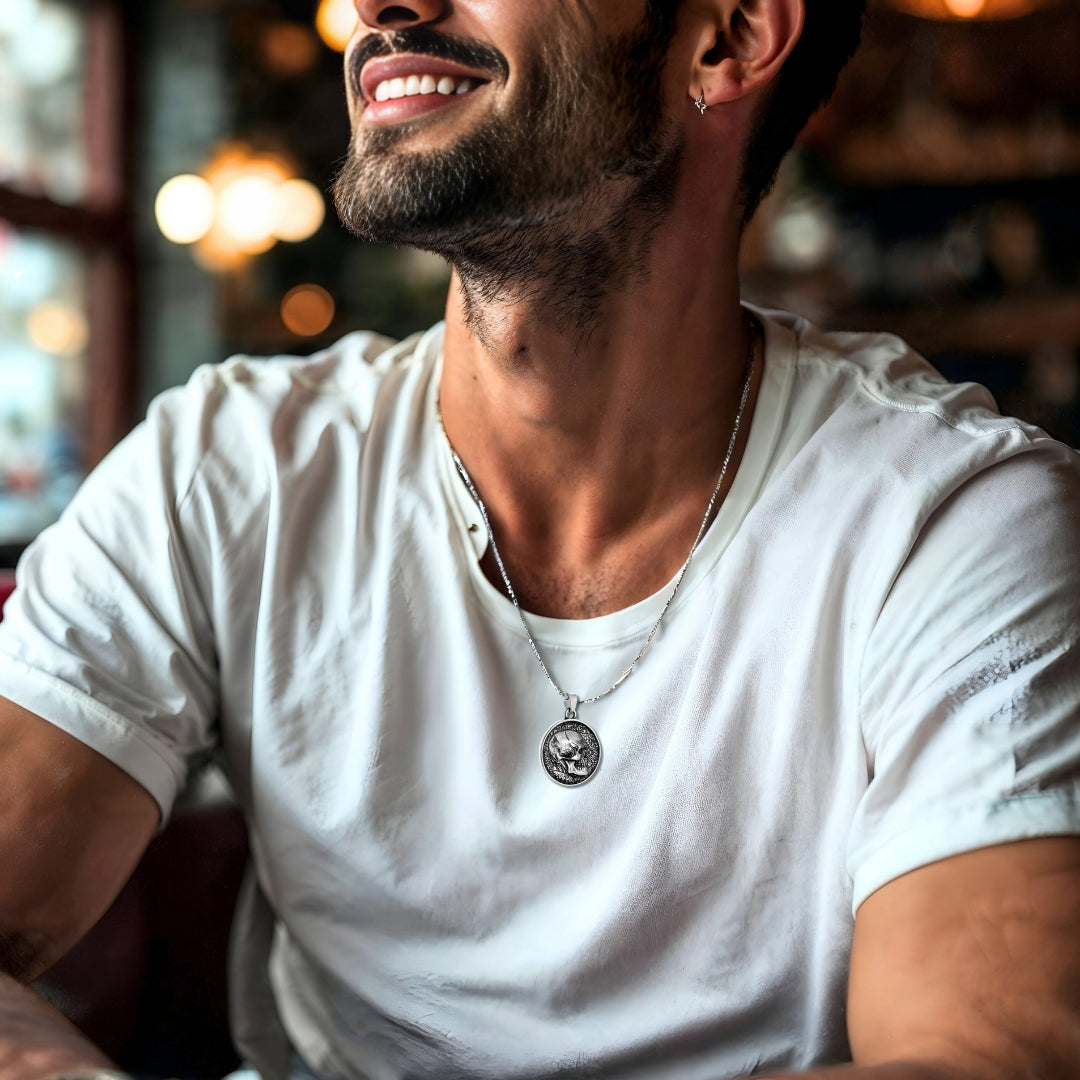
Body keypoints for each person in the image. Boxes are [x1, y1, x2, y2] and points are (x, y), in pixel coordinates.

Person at [2, 0, 1079, 1077]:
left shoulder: (950, 520)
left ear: (732, 36)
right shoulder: (229, 468)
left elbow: (987, 1055)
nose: (381, 7)